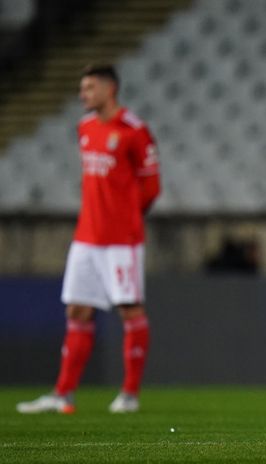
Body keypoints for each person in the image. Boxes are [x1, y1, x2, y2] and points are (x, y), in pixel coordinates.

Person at [17, 64, 161, 414]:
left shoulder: (134, 131)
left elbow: (151, 186)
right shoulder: (85, 128)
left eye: (89, 88)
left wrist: (125, 218)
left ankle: (129, 395)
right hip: (86, 237)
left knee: (129, 310)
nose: (82, 95)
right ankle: (63, 393)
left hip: (121, 240)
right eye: (82, 88)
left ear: (109, 90)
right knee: (78, 309)